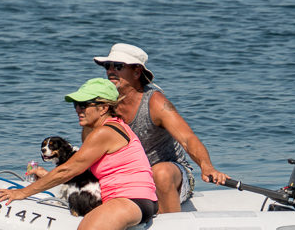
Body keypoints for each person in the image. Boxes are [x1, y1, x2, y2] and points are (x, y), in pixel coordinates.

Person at [0, 78, 156, 230]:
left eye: (84, 104)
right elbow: (78, 169)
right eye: (75, 104)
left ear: (104, 107)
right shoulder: (114, 127)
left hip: (127, 201)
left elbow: (68, 170)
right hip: (137, 199)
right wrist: (44, 176)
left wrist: (21, 193)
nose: (78, 109)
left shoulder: (104, 132)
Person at [90, 43, 228, 213]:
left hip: (170, 175)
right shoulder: (103, 104)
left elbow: (188, 138)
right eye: (107, 66)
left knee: (160, 172)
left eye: (118, 66)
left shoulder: (156, 103)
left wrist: (207, 166)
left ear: (137, 72)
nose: (111, 71)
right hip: (131, 178)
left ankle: (173, 229)